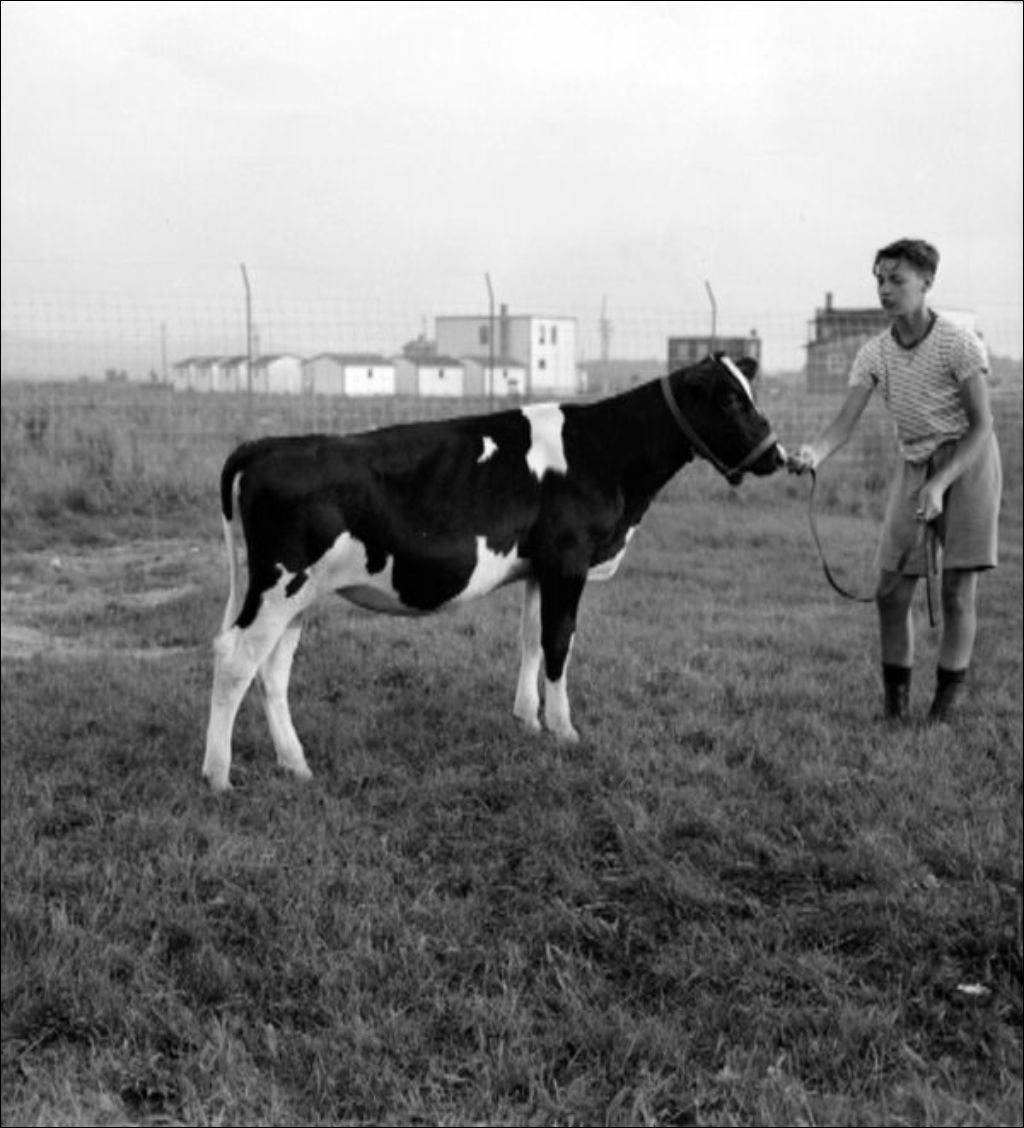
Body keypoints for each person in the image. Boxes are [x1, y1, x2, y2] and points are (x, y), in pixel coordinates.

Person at [790, 238, 1002, 721]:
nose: (885, 289)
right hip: (914, 464)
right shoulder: (874, 354)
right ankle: (895, 711)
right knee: (890, 594)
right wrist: (814, 453)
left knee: (957, 592)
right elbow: (843, 424)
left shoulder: (959, 343)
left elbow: (982, 425)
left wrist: (940, 485)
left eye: (897, 280)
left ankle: (941, 713)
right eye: (880, 280)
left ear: (926, 282)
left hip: (967, 463)